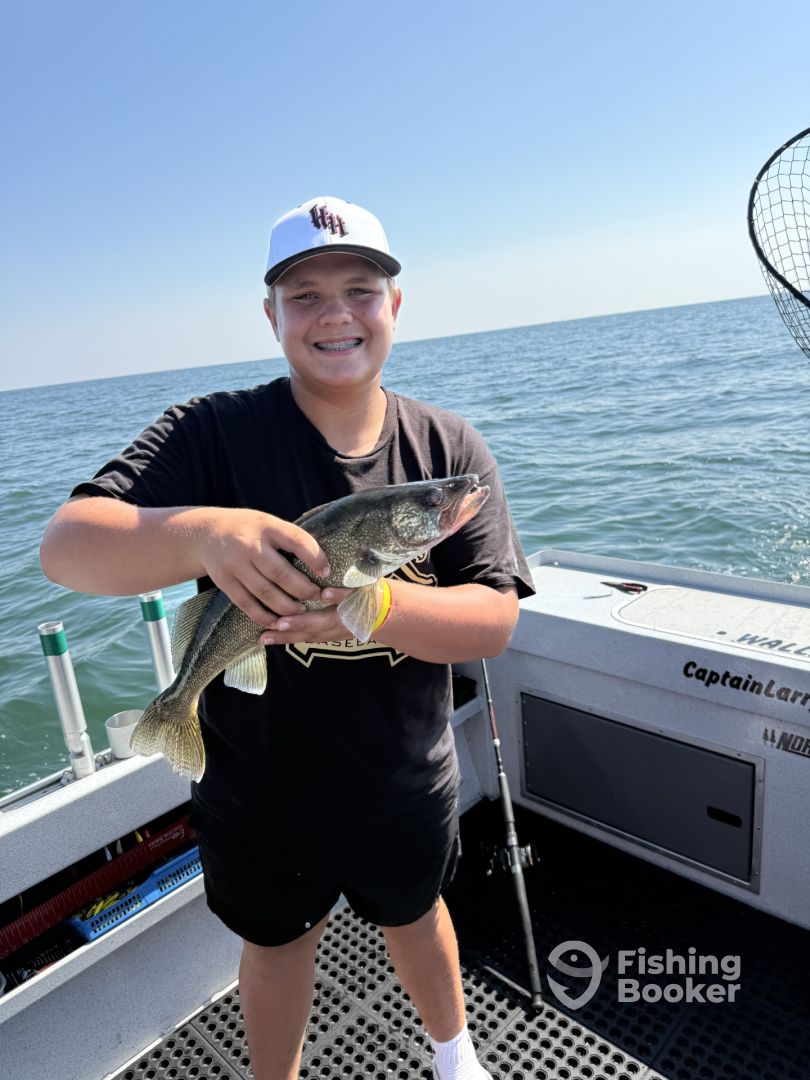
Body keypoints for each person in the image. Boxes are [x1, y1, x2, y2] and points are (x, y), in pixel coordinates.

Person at [40, 195, 535, 1080]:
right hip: (257, 791)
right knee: (274, 948)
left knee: (418, 913)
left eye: (360, 290)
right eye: (303, 296)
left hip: (404, 777)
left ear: (394, 305)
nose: (335, 313)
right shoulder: (212, 432)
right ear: (270, 315)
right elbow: (67, 546)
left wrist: (372, 610)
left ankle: (456, 1059)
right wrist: (205, 534)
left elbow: (494, 620)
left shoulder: (448, 447)